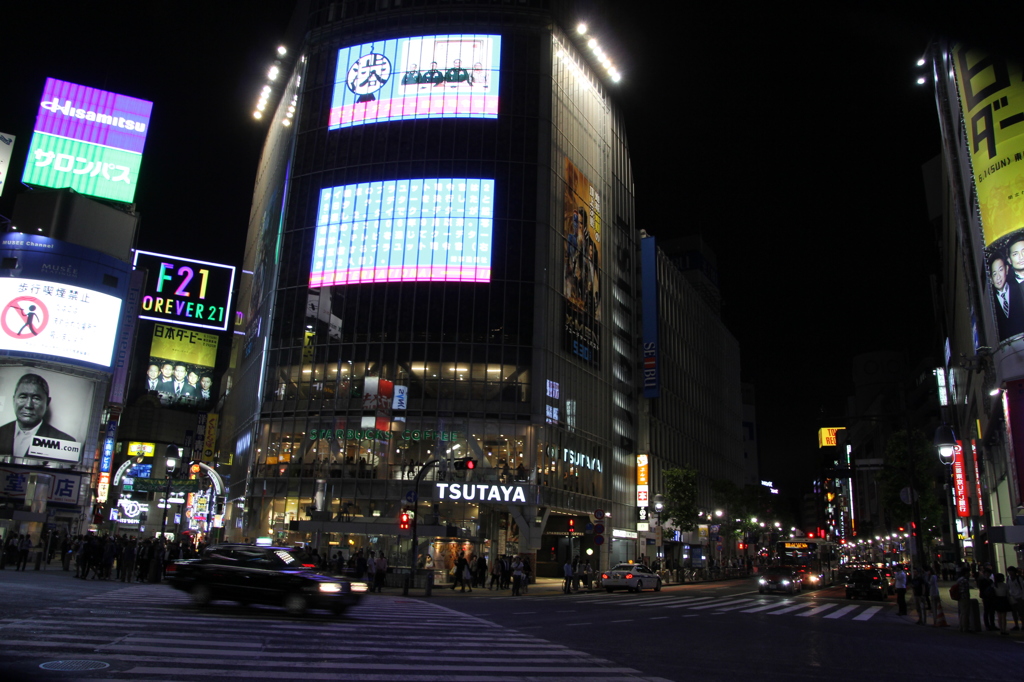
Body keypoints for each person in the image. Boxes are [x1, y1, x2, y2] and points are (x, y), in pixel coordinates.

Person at [0, 373, 75, 460]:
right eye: (23, 397)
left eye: (36, 398)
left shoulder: (65, 443)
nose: (28, 405)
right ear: (14, 400)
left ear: (47, 402)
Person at [990, 254, 1024, 340]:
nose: (998, 277)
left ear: (1007, 269)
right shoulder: (990, 304)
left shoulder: (1019, 288)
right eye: (994, 274)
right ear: (990, 279)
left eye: (1000, 270)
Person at [978, 565, 997, 631]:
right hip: (986, 598)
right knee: (987, 611)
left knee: (991, 612)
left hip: (990, 597)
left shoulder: (990, 581)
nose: (987, 574)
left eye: (989, 573)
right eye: (986, 573)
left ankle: (992, 624)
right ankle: (988, 625)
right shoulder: (983, 581)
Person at [955, 567, 973, 632]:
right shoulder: (964, 580)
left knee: (962, 613)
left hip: (960, 598)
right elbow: (965, 590)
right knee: (965, 613)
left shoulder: (959, 579)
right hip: (964, 598)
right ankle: (965, 627)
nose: (969, 574)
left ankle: (961, 627)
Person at [1007, 565, 1023, 631]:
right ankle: (1016, 625)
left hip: (1019, 597)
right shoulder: (1008, 578)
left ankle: (1022, 625)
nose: (1010, 573)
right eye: (1009, 571)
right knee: (1014, 612)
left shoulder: (1019, 578)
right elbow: (1008, 587)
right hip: (1012, 597)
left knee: (1021, 612)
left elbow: (1022, 587)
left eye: (1011, 571)